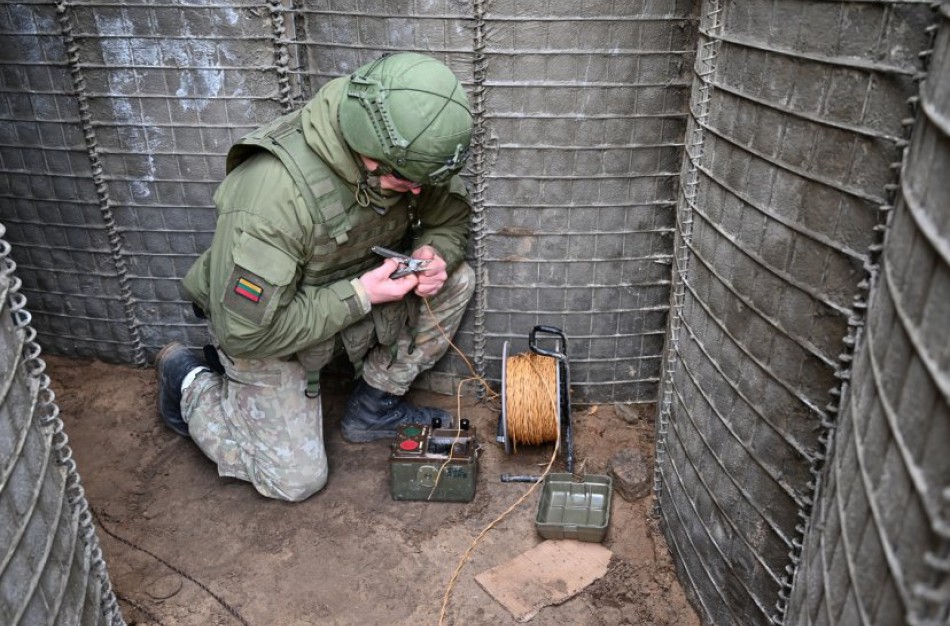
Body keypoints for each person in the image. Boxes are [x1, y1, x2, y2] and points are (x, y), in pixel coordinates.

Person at [155, 52, 476, 502]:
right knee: (294, 481)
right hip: (267, 330)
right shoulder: (273, 193)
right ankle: (188, 381)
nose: (419, 193)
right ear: (372, 157)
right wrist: (362, 294)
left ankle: (373, 406)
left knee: (457, 280)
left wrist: (432, 253)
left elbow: (449, 217)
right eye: (408, 182)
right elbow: (246, 333)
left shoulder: (406, 151)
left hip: (349, 296)